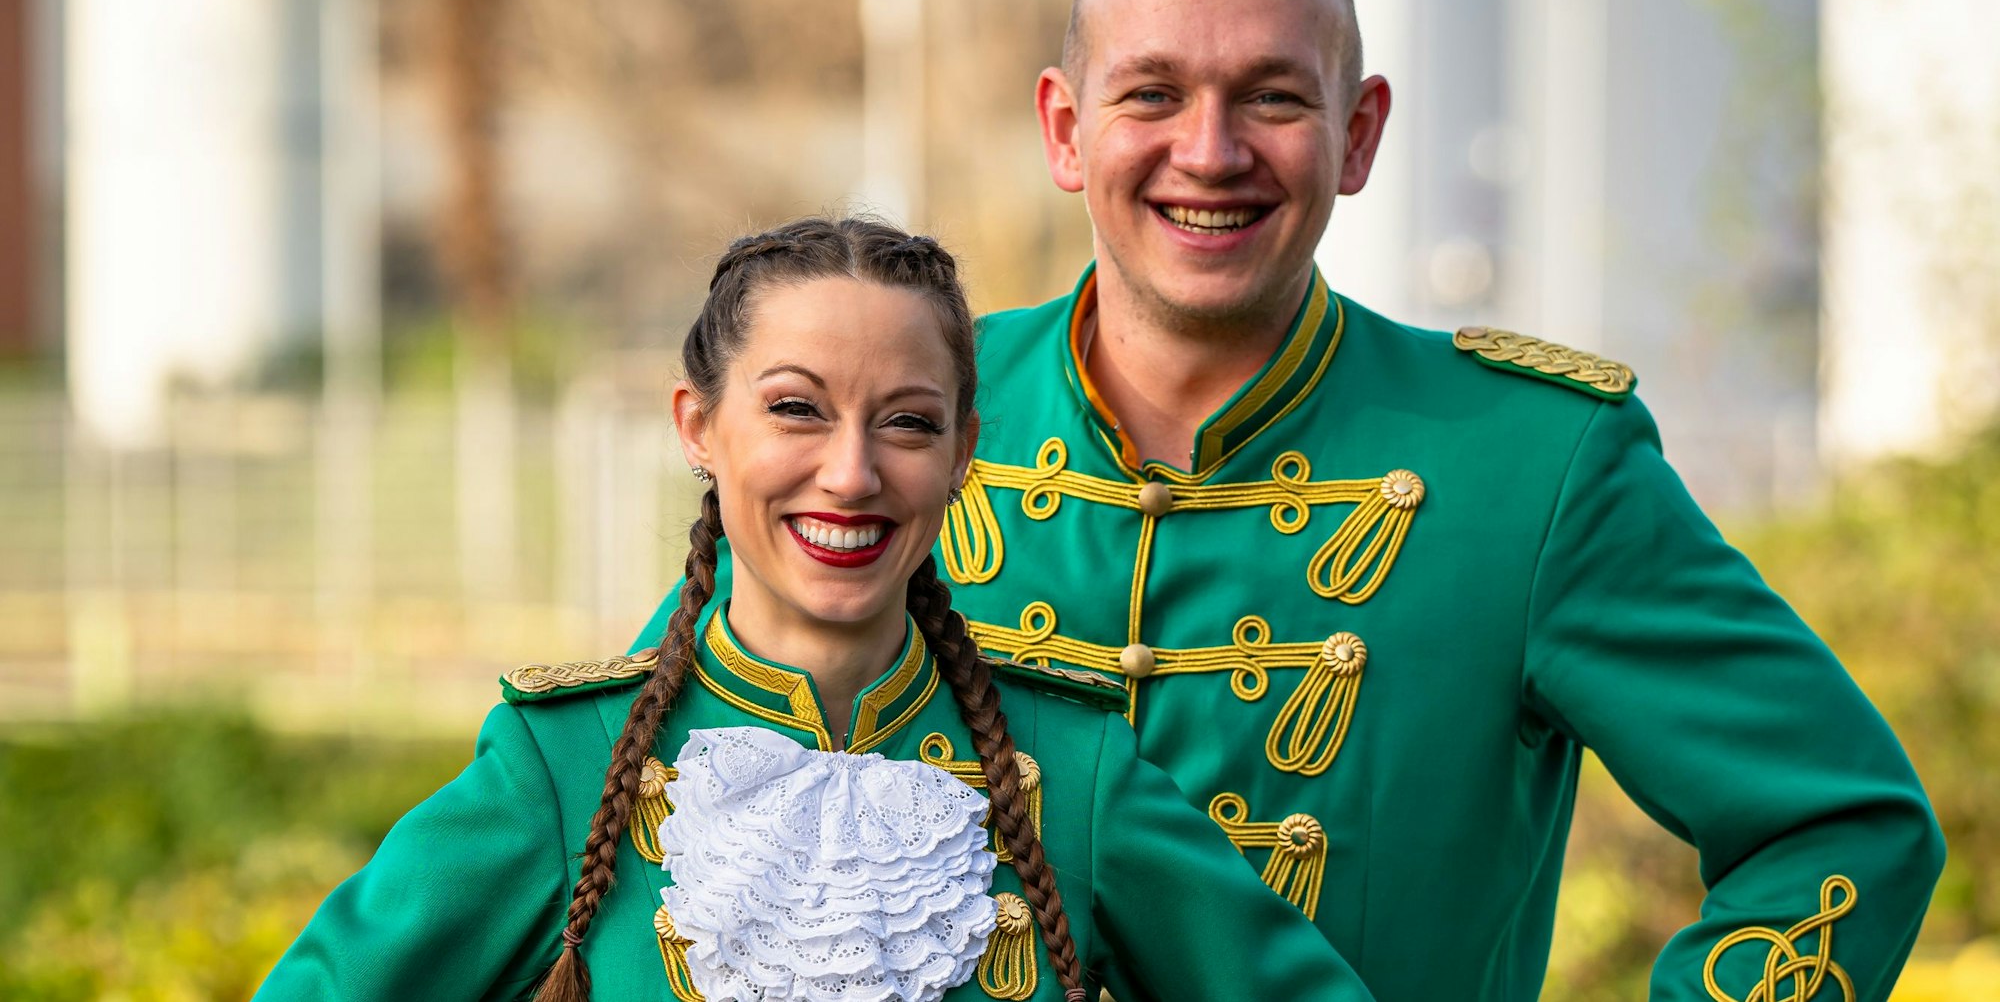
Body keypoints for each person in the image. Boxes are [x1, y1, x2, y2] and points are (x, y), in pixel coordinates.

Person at [924, 0, 1942, 1001]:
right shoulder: (893, 423)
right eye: (1152, 93)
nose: (1208, 152)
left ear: (1356, 134)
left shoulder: (1535, 466)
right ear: (1066, 129)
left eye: (1269, 96)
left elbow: (1839, 823)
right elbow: (717, 764)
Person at [254, 217, 1377, 1002]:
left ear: (959, 455)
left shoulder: (1071, 771)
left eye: (905, 423)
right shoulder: (562, 762)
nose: (849, 474)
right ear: (698, 426)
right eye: (795, 409)